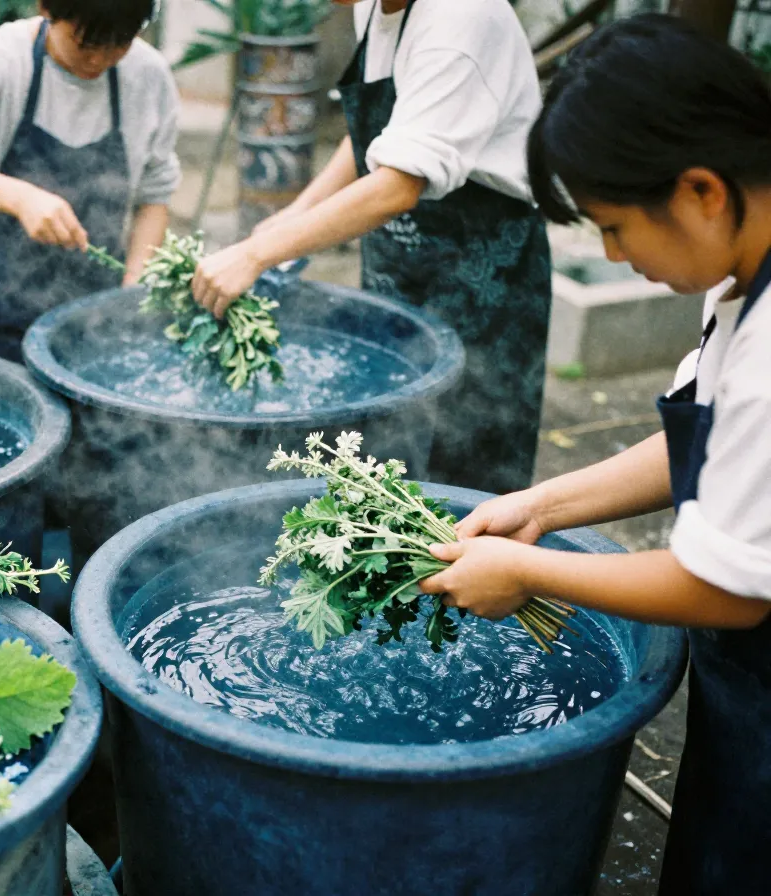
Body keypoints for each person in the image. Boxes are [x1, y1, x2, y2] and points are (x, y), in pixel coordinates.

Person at [417, 15, 771, 895]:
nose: (614, 255)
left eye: (614, 227)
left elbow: (726, 588)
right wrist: (544, 508)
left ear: (701, 192)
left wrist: (530, 573)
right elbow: (715, 443)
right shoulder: (740, 275)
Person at [191, 0, 551, 495]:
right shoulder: (375, 9)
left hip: (482, 277)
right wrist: (295, 215)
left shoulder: (460, 18)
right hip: (398, 263)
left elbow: (397, 186)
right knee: (386, 449)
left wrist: (256, 255)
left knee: (464, 473)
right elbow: (381, 138)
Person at [0, 0, 181, 363]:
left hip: (93, 316)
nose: (100, 59)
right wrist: (21, 198)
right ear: (47, 8)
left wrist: (135, 290)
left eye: (119, 43)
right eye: (86, 43)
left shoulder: (148, 75)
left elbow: (154, 196)